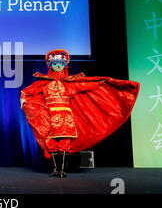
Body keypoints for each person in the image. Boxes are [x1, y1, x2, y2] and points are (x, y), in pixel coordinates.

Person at [20, 49, 139, 177]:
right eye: (55, 64)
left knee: (64, 143)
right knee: (51, 143)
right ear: (51, 66)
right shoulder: (43, 83)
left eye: (60, 64)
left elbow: (86, 84)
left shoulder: (71, 83)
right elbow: (28, 91)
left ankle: (62, 170)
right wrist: (23, 99)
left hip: (66, 116)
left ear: (65, 66)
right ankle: (55, 169)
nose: (58, 66)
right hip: (50, 115)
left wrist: (103, 81)